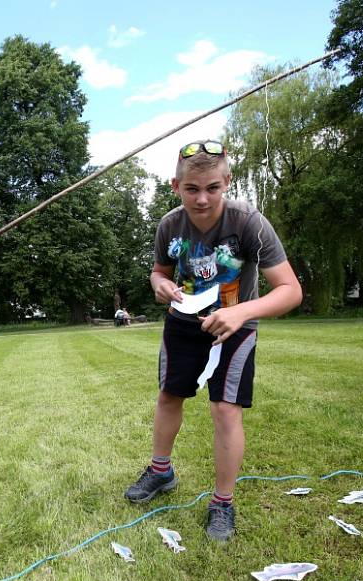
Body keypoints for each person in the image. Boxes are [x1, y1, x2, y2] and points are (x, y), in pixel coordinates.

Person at [123, 141, 302, 542]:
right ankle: (160, 471)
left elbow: (291, 290)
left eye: (212, 188)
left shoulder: (248, 222)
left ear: (227, 182)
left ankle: (222, 503)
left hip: (235, 325)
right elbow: (157, 274)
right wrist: (162, 285)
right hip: (182, 324)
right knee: (170, 396)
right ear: (176, 186)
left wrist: (240, 312)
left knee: (225, 409)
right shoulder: (170, 225)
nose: (202, 199)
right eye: (192, 189)